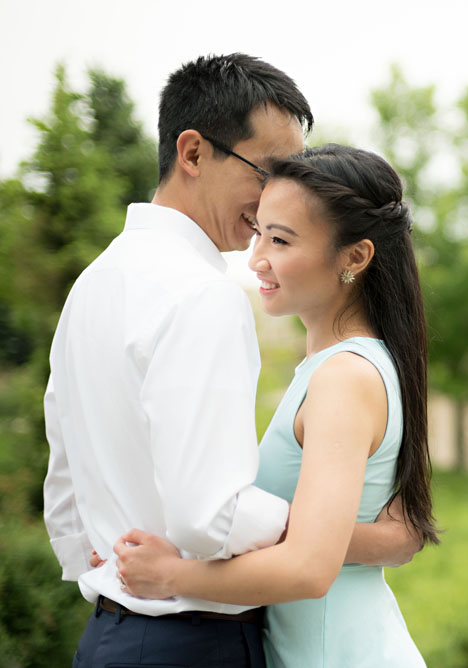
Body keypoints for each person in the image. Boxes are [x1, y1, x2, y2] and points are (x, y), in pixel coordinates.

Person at [43, 55, 420, 668]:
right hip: (188, 641)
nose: (275, 194)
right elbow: (208, 518)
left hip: (111, 634)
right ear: (193, 153)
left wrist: (94, 556)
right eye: (267, 171)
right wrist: (357, 538)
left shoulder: (93, 282)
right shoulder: (203, 293)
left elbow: (63, 473)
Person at [113, 144, 439, 667]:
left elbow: (311, 567)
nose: (255, 257)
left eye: (281, 239)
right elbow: (341, 537)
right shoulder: (337, 369)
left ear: (354, 257)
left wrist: (172, 575)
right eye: (260, 231)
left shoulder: (343, 377)